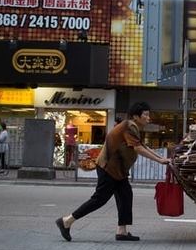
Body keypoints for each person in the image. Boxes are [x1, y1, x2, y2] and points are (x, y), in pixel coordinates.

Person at [55, 102, 170, 242]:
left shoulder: (132, 127)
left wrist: (162, 158)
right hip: (108, 168)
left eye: (148, 114)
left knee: (125, 196)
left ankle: (121, 231)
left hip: (118, 171)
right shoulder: (129, 126)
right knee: (99, 199)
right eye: (145, 114)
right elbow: (138, 149)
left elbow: (142, 145)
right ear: (136, 116)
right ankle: (67, 221)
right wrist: (160, 161)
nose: (148, 117)